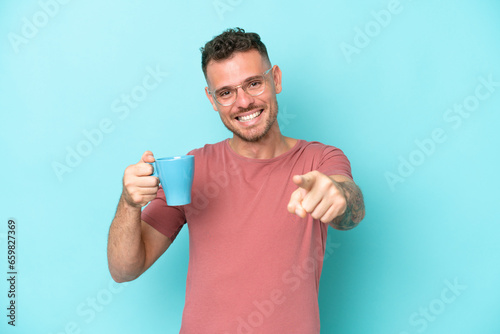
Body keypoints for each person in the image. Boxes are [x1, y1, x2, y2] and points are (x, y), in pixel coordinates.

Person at [107, 27, 365, 333]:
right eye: (226, 92)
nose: (243, 102)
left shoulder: (320, 159)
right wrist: (129, 202)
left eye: (253, 84)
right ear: (212, 99)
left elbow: (351, 210)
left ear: (276, 79)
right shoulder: (194, 168)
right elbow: (124, 269)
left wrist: (338, 196)